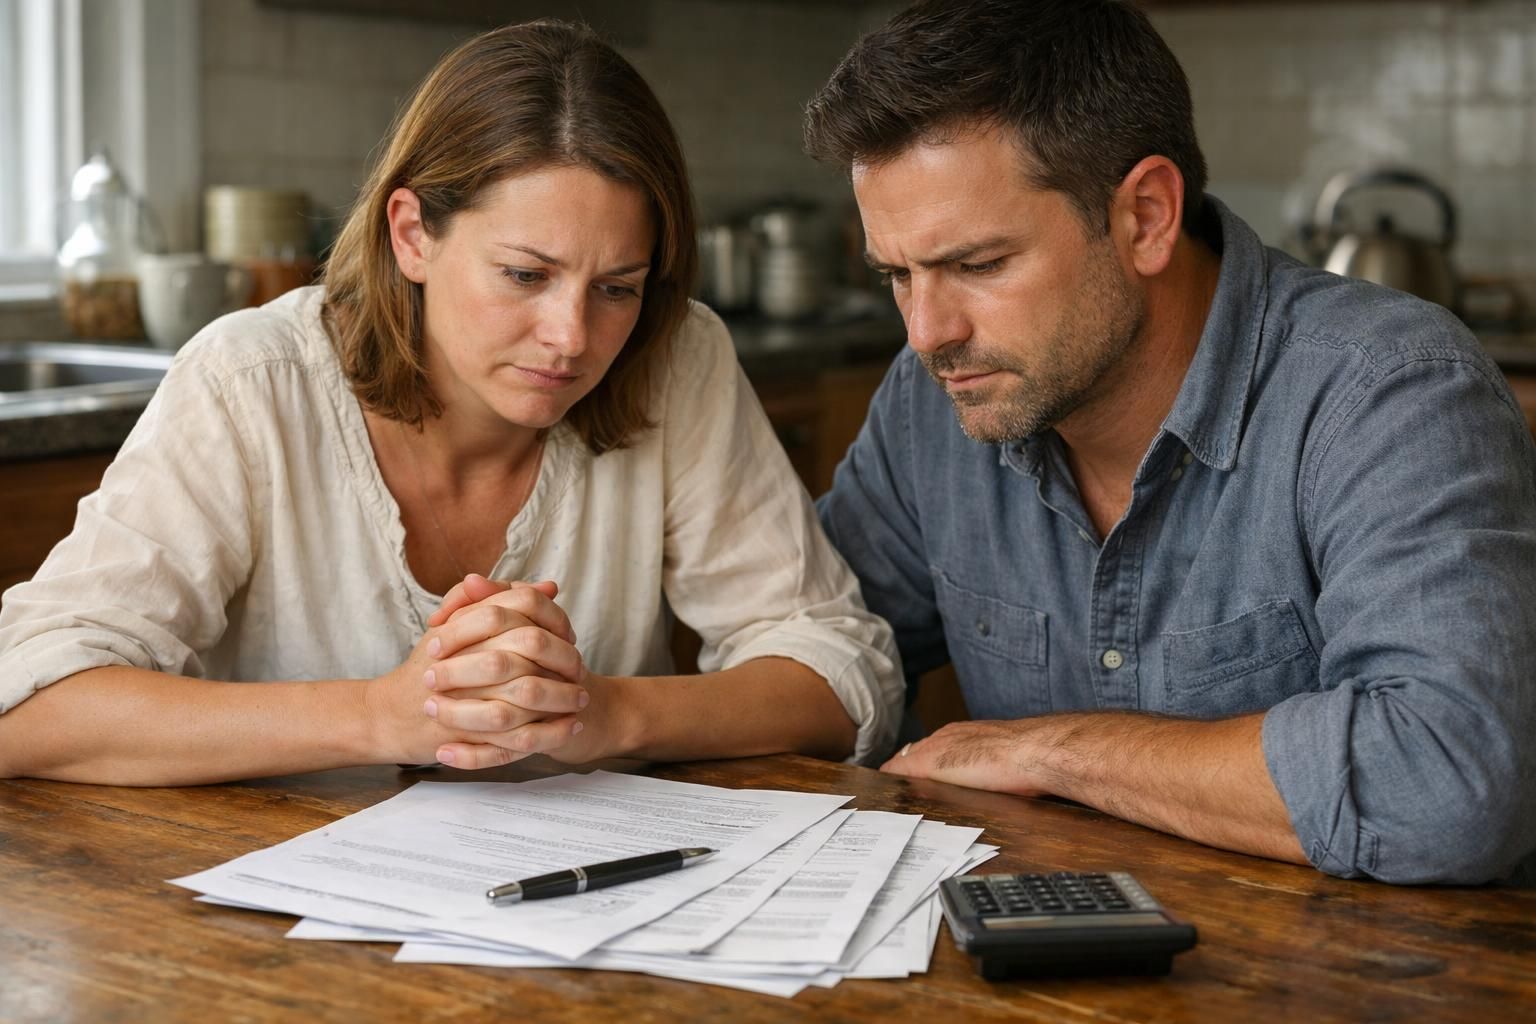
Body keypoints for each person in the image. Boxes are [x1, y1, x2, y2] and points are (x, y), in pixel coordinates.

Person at [0, 20, 901, 785]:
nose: (572, 337)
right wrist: (383, 717)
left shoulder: (677, 356)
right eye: (524, 274)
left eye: (617, 286)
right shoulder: (251, 382)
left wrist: (603, 713)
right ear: (411, 235)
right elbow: (30, 706)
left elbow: (837, 670)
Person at [806, 0, 1536, 884]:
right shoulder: (937, 405)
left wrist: (1058, 753)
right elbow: (823, 642)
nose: (927, 332)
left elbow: (1449, 783)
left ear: (1147, 216)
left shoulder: (1389, 391)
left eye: (978, 265)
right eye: (897, 275)